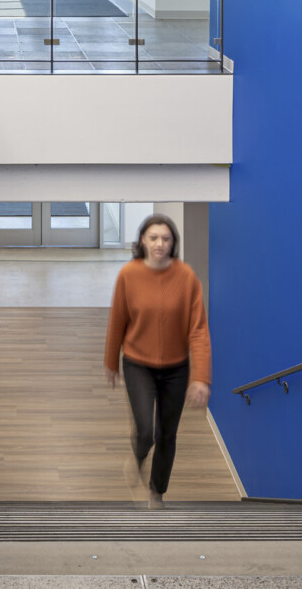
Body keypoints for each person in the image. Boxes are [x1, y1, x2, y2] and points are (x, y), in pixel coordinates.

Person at [103, 213, 212, 509]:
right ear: (142, 241)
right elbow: (117, 321)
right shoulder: (129, 275)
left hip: (177, 368)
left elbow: (199, 331)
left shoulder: (186, 277)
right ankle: (137, 457)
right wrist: (111, 362)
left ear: (173, 242)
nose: (159, 244)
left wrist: (200, 377)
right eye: (153, 238)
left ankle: (157, 492)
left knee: (167, 434)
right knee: (146, 432)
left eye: (165, 238)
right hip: (138, 363)